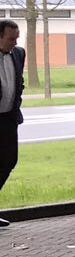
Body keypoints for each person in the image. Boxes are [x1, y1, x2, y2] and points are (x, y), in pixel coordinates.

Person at [0, 19, 25, 226]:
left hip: (9, 118)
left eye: (16, 38)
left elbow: (20, 80)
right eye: (11, 39)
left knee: (9, 161)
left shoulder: (18, 53)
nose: (14, 43)